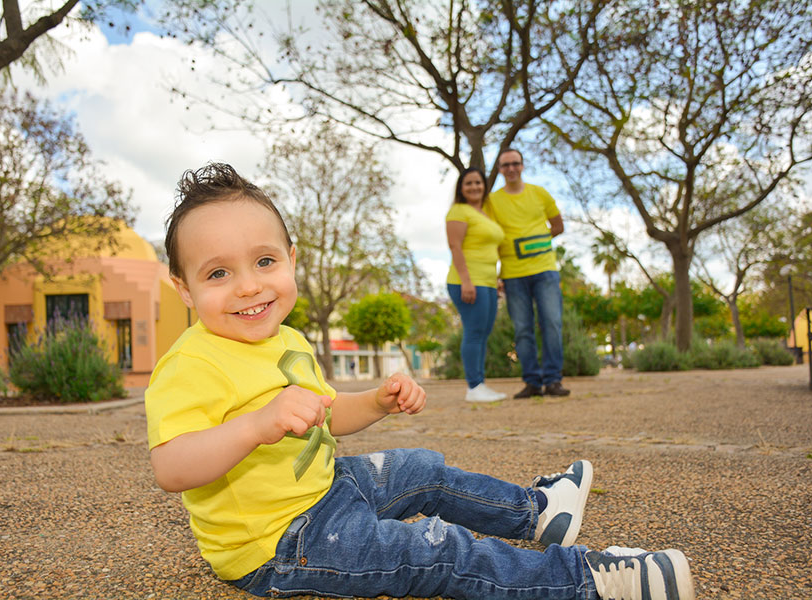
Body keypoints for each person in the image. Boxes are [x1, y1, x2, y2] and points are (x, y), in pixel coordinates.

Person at [145, 162, 695, 600]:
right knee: (435, 548)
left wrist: (377, 402)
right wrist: (254, 426)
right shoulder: (191, 364)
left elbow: (325, 415)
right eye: (218, 272)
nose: (248, 286)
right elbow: (172, 466)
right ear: (184, 288)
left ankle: (538, 511)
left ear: (291, 259)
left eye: (264, 261)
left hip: (329, 489)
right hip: (281, 543)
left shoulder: (286, 339)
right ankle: (588, 581)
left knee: (422, 468)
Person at [487, 148, 570, 399]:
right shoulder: (492, 201)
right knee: (522, 329)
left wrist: (537, 243)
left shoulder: (540, 193)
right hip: (512, 275)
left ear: (522, 166)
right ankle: (532, 382)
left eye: (515, 163)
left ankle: (553, 380)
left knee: (551, 324)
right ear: (500, 169)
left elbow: (558, 226)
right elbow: (491, 237)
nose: (511, 169)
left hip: (545, 271)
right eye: (505, 165)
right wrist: (496, 274)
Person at [446, 167, 506, 403]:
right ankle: (474, 387)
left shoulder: (485, 214)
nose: (474, 187)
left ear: (484, 186)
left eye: (478, 182)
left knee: (483, 333)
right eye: (468, 183)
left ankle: (480, 384)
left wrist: (496, 279)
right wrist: (466, 281)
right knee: (474, 332)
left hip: (487, 283)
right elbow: (455, 246)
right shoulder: (458, 211)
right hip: (468, 282)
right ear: (461, 188)